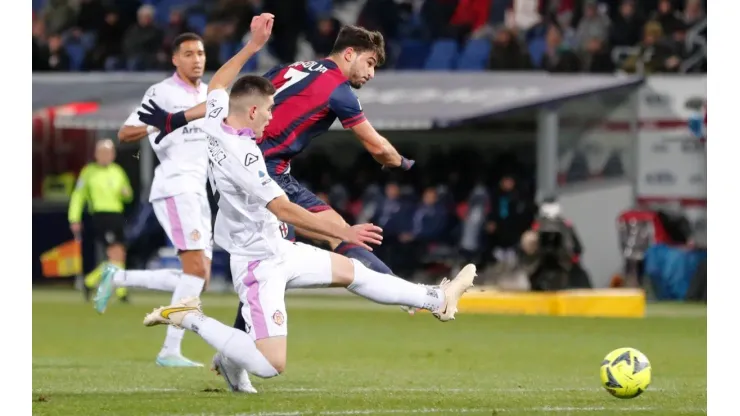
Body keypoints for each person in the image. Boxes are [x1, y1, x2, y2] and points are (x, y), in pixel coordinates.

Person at [139, 15, 477, 394]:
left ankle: (432, 298)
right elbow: (284, 208)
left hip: (278, 246)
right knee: (274, 360)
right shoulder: (250, 159)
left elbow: (218, 86)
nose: (272, 113)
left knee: (355, 272)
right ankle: (198, 323)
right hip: (258, 255)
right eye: (267, 109)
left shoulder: (226, 114)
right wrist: (393, 173)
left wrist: (249, 49)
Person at [137, 24, 419, 322]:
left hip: (236, 168)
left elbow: (229, 100)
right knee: (328, 238)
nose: (371, 73)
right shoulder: (339, 90)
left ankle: (230, 348)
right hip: (263, 173)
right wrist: (402, 162)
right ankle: (408, 294)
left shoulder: (290, 69)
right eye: (370, 63)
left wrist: (174, 120)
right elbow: (377, 147)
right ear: (350, 53)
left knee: (281, 258)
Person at [94, 32, 223, 368]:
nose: (197, 59)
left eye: (201, 53)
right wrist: (159, 124)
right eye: (189, 54)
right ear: (175, 59)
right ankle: (169, 351)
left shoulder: (210, 93)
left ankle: (118, 277)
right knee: (194, 270)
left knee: (200, 278)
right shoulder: (161, 92)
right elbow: (125, 133)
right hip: (175, 187)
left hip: (198, 191)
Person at [68, 139, 133, 302]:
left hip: (117, 215)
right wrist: (74, 217)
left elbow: (128, 196)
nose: (105, 156)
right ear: (96, 154)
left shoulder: (118, 171)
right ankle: (117, 290)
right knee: (115, 253)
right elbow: (78, 196)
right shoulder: (89, 172)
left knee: (119, 254)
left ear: (113, 155)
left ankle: (93, 282)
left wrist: (126, 193)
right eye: (102, 153)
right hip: (101, 215)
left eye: (108, 153)